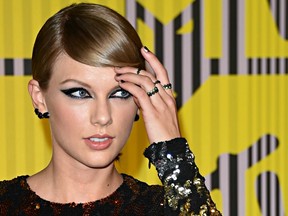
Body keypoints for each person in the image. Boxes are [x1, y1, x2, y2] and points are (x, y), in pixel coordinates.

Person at [0, 3, 221, 215]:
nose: (103, 117)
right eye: (80, 93)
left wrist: (173, 153)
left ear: (139, 101)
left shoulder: (163, 209)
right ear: (40, 98)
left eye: (120, 93)